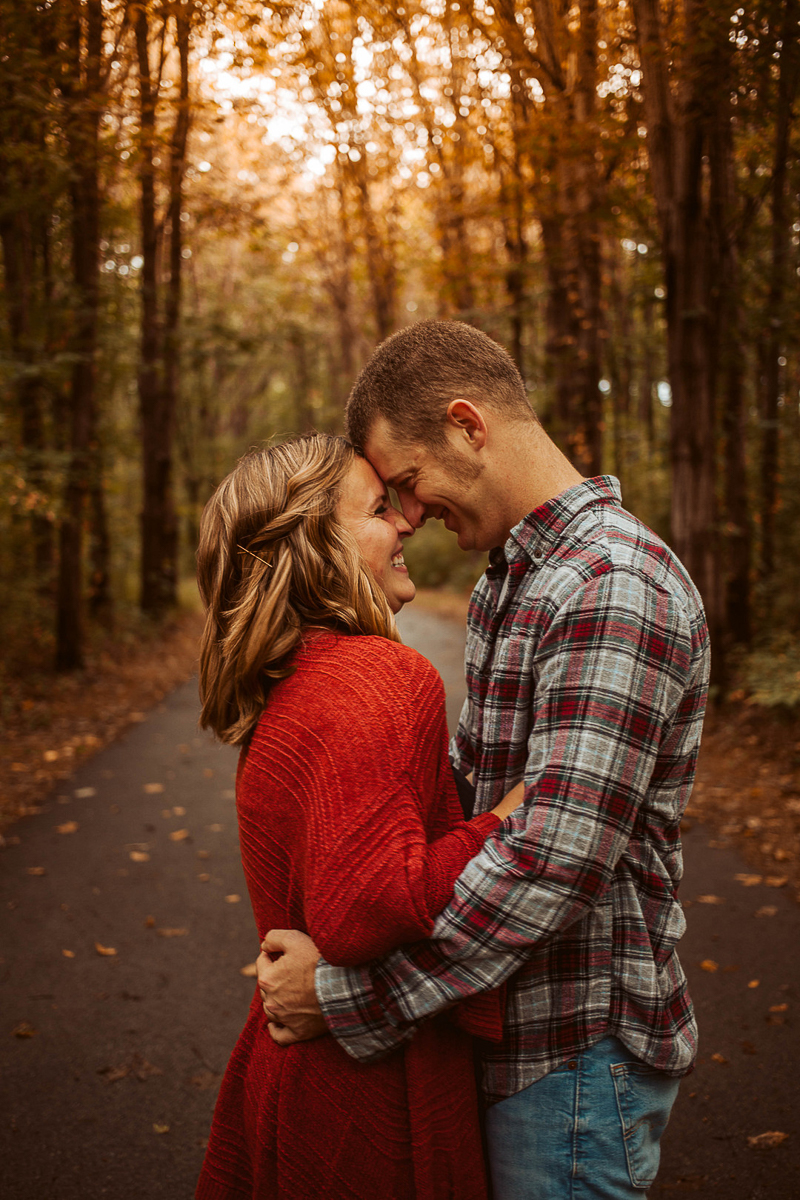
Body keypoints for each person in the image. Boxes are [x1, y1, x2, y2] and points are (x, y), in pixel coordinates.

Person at [256, 321, 711, 1200]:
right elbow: (470, 806)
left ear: (469, 425)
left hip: (571, 1059)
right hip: (510, 1040)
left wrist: (349, 997)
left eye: (410, 483)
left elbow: (552, 862)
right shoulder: (519, 576)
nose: (412, 516)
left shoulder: (610, 582)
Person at [193, 433, 524, 1200]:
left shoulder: (289, 689)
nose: (408, 522)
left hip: (294, 1072)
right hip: (368, 1090)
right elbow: (366, 908)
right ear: (314, 546)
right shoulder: (381, 676)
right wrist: (506, 817)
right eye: (380, 509)